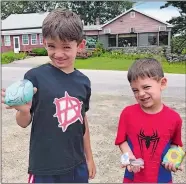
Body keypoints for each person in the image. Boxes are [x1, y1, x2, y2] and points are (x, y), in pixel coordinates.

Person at [1, 9, 96, 183]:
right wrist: (23, 110)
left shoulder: (84, 82)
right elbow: (23, 123)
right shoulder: (34, 77)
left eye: (66, 47)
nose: (58, 54)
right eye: (52, 46)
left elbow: (82, 121)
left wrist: (89, 157)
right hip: (44, 168)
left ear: (80, 46)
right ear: (45, 43)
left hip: (77, 165)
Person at [115, 58, 183, 183]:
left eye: (146, 87)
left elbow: (175, 144)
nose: (141, 94)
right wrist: (128, 156)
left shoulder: (174, 118)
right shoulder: (127, 114)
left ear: (162, 83)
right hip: (133, 178)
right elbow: (121, 140)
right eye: (135, 90)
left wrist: (173, 159)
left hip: (162, 178)